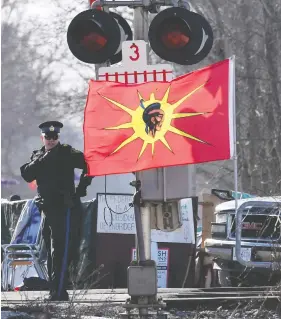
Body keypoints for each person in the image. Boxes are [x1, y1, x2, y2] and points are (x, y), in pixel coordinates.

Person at [20, 121, 93, 301]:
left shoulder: (67, 152)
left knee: (59, 249)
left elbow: (90, 164)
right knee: (51, 250)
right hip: (46, 208)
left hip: (64, 207)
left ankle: (60, 290)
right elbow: (28, 175)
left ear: (58, 137)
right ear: (42, 138)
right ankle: (55, 289)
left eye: (54, 137)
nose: (51, 140)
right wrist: (43, 159)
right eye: (48, 137)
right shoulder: (38, 155)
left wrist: (81, 188)